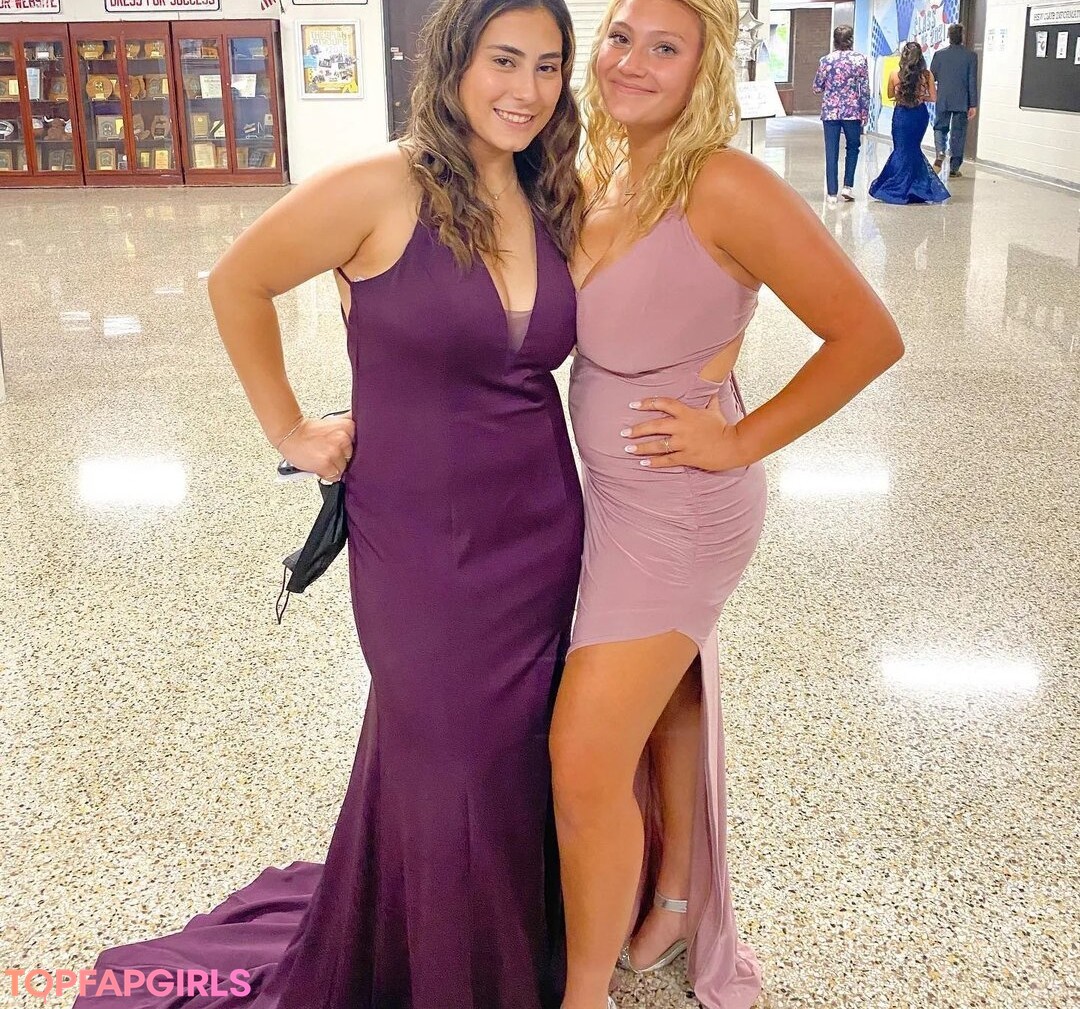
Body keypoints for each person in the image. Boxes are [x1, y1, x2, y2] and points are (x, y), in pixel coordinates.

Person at [73, 0, 585, 1006]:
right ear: (454, 61)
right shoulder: (382, 185)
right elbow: (237, 281)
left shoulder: (549, 191)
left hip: (539, 522)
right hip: (418, 534)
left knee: (512, 748)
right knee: (449, 750)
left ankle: (486, 945)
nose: (526, 90)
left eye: (548, 65)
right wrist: (290, 429)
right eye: (504, 60)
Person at [549, 0, 904, 1007]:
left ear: (703, 71)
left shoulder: (724, 183)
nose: (632, 61)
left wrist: (740, 439)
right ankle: (673, 894)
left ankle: (583, 992)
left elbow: (869, 336)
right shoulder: (604, 170)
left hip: (682, 512)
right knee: (665, 701)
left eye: (665, 47)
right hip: (610, 498)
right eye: (621, 37)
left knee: (581, 759)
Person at [868, 41, 950, 205]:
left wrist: (903, 95)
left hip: (901, 115)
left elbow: (889, 95)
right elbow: (933, 98)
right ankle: (916, 187)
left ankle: (896, 186)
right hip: (919, 115)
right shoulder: (926, 75)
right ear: (920, 58)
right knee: (913, 148)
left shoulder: (894, 74)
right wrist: (919, 96)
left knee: (901, 149)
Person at [813, 24, 870, 205]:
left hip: (830, 111)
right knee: (853, 146)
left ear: (834, 40)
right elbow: (864, 89)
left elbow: (817, 87)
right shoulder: (860, 60)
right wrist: (865, 111)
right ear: (851, 40)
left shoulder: (826, 60)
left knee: (831, 150)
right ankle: (847, 186)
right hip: (852, 111)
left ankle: (831, 193)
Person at [929, 23, 978, 178]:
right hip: (962, 100)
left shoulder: (939, 55)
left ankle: (940, 151)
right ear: (962, 36)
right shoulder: (971, 56)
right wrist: (973, 104)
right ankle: (954, 168)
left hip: (943, 98)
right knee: (959, 133)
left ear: (949, 37)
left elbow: (932, 77)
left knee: (940, 127)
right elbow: (972, 81)